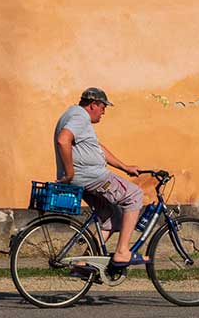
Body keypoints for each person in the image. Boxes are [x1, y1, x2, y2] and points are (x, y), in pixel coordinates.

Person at [53, 87, 146, 283]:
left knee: (113, 218)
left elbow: (97, 149)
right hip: (91, 177)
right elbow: (63, 140)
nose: (104, 111)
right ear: (93, 104)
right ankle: (122, 252)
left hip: (85, 178)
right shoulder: (79, 116)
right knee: (135, 195)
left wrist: (124, 167)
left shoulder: (73, 116)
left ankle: (84, 265)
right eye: (103, 107)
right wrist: (70, 172)